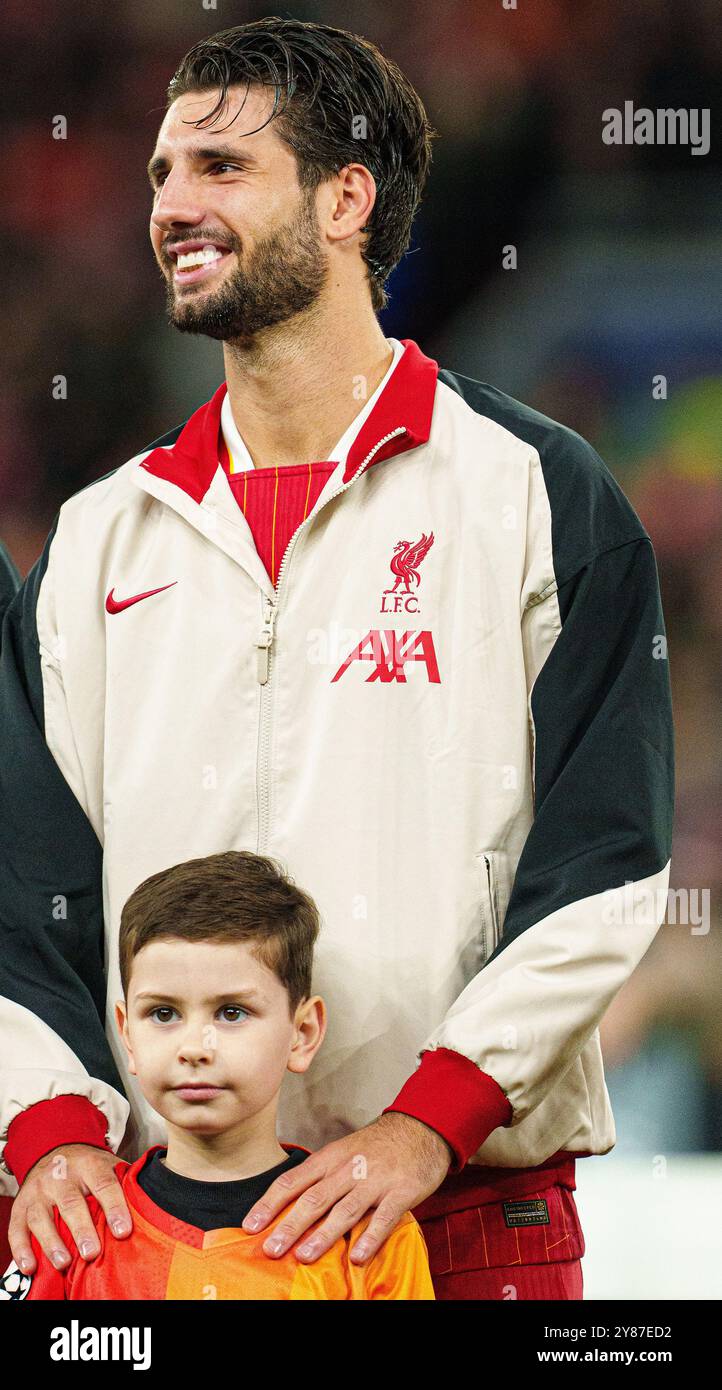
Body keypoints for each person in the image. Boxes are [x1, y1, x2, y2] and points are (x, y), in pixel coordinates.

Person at [0, 18, 674, 1300]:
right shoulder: (98, 539)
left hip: (464, 1211)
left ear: (345, 196)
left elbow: (607, 860)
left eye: (219, 167)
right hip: (160, 1230)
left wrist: (430, 1121)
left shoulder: (535, 495)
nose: (172, 205)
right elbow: (24, 881)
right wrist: (45, 1128)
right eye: (157, 174)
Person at [1, 850, 434, 1300]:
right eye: (163, 1013)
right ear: (128, 1035)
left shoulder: (366, 1231)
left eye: (232, 1012)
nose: (194, 1048)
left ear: (302, 1033)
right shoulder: (72, 1226)